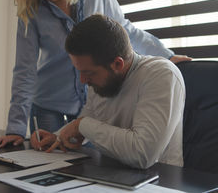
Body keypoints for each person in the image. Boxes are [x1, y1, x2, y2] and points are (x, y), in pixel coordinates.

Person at [0, 0, 190, 149]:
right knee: (47, 162)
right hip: (49, 104)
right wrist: (15, 128)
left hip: (94, 104)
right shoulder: (31, 10)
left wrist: (166, 55)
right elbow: (25, 69)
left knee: (91, 165)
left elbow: (124, 30)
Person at [31, 14, 185, 169]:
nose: (83, 81)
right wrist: (58, 137)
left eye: (89, 73)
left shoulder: (161, 74)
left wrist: (81, 125)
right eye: (80, 72)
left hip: (159, 181)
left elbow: (142, 154)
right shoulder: (102, 81)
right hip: (109, 173)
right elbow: (88, 119)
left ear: (117, 64)